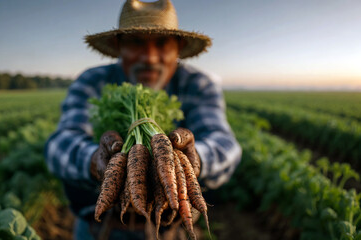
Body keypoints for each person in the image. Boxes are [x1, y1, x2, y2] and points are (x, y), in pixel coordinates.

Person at [44, 0, 242, 239]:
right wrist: (97, 161)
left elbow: (226, 145)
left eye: (161, 44)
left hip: (171, 229)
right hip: (97, 229)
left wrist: (186, 162)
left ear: (178, 47)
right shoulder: (92, 81)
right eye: (136, 42)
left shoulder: (197, 84)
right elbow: (58, 145)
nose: (149, 57)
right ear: (119, 45)